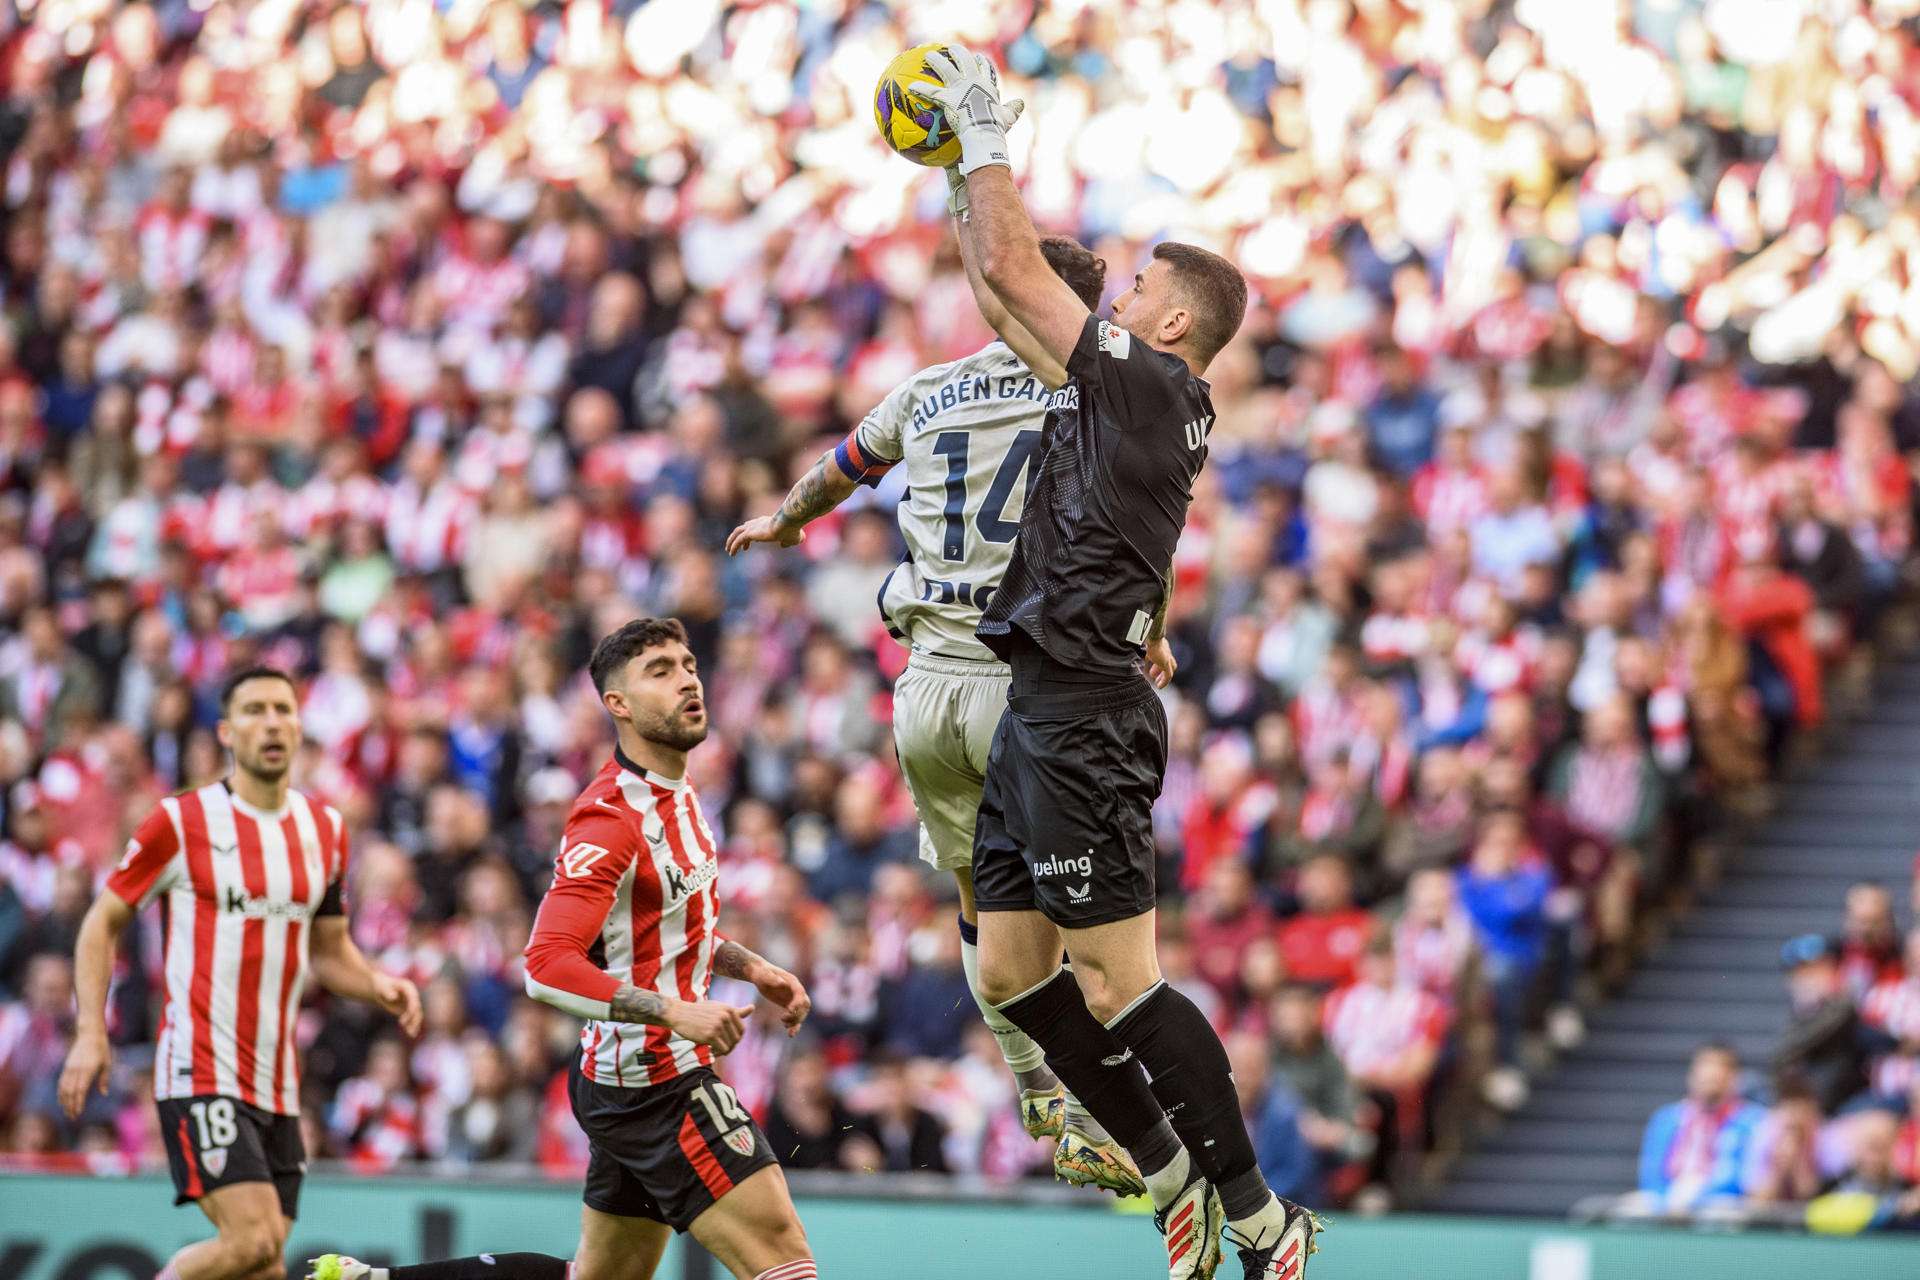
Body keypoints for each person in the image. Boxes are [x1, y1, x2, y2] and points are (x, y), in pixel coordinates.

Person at [925, 45, 1314, 1280]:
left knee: (1122, 983)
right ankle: (1169, 1179)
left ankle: (1259, 1216)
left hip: (1083, 712)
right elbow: (999, 293)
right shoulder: (1123, 391)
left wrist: (980, 131)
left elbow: (1010, 266)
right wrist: (956, 179)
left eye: (1138, 280)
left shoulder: (1147, 385)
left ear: (1174, 318)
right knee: (1011, 970)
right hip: (1044, 699)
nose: (1121, 289)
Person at [724, 232, 1141, 1194]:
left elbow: (839, 468)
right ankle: (1093, 1104)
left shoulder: (928, 389)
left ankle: (1032, 1086)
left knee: (971, 901)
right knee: (1079, 920)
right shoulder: (1094, 396)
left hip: (922, 694)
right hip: (1018, 691)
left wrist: (786, 520)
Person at [311, 619, 818, 1280]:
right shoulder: (610, 819)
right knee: (787, 1268)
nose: (687, 678)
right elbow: (545, 966)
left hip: (629, 1079)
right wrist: (674, 1013)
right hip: (655, 1083)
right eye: (659, 671)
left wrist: (752, 969)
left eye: (687, 663)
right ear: (620, 706)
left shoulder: (683, 795)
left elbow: (661, 929)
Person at [57, 667, 424, 1280]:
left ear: (301, 727)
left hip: (277, 1081)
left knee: (265, 1265)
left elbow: (330, 951)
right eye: (254, 710)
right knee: (251, 1241)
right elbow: (102, 922)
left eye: (283, 708)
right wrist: (91, 1032)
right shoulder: (180, 822)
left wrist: (377, 983)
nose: (272, 722)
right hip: (201, 1066)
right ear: (227, 731)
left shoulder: (325, 831)